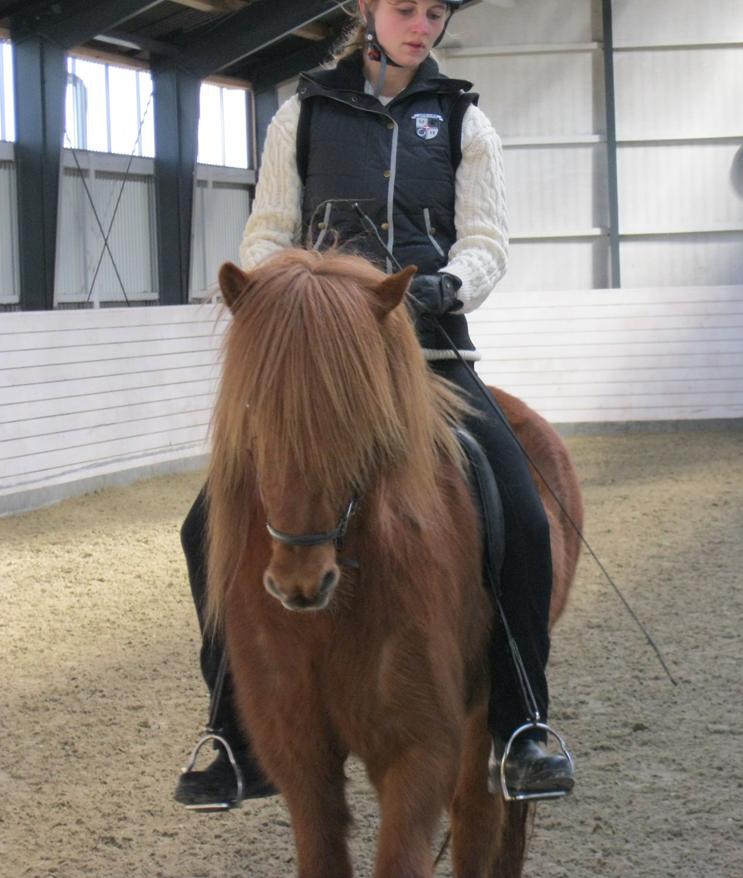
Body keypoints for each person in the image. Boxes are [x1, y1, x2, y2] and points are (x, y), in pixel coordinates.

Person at [174, 0, 574, 807]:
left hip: (426, 350)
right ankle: (232, 733)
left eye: (434, 13)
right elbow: (266, 231)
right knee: (202, 524)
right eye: (404, 9)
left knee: (524, 519)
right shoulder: (303, 115)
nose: (420, 25)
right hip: (325, 359)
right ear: (367, 10)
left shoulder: (466, 122)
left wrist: (448, 285)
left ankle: (523, 723)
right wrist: (292, 286)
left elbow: (488, 241)